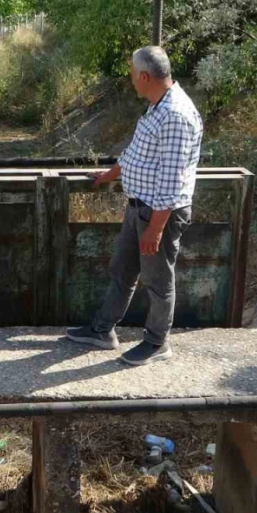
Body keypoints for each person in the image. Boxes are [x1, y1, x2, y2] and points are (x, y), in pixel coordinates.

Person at [66, 45, 203, 366]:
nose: (130, 79)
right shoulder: (158, 106)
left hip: (159, 214)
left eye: (132, 73)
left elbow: (171, 182)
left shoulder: (175, 115)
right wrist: (109, 174)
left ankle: (157, 343)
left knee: (157, 282)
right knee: (123, 271)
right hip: (139, 207)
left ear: (145, 76)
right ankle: (101, 331)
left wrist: (155, 229)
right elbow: (136, 154)